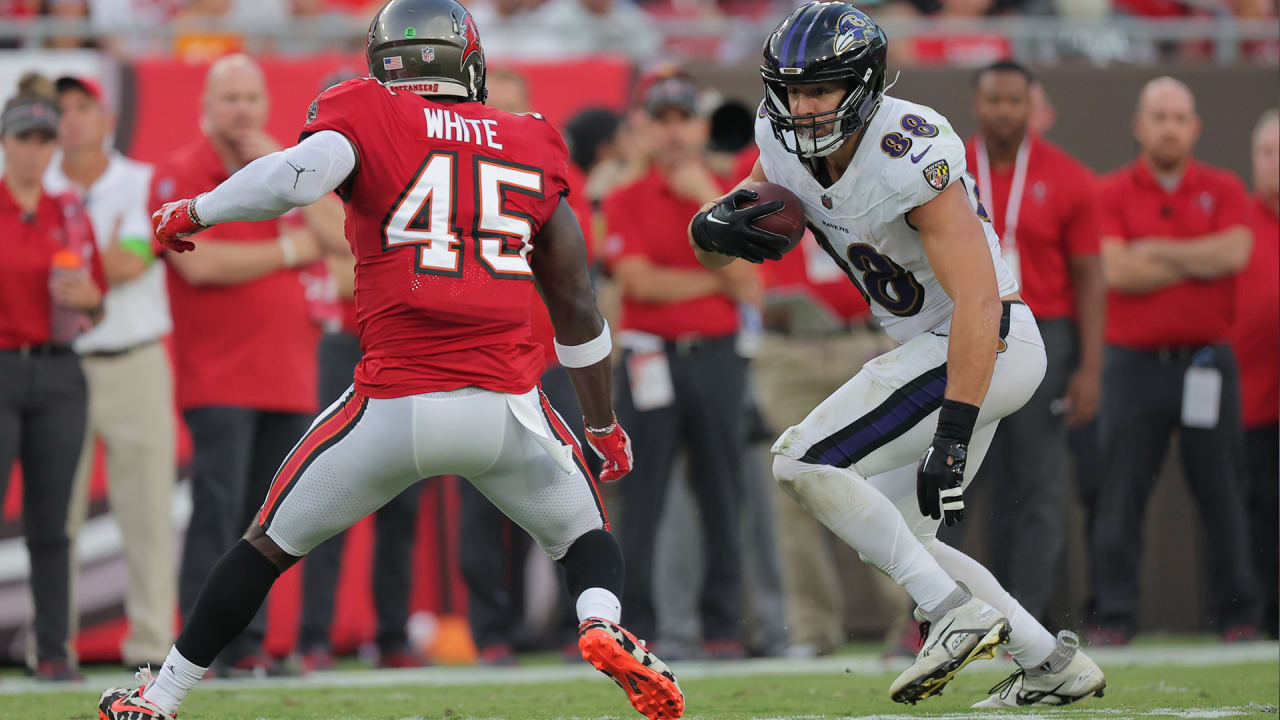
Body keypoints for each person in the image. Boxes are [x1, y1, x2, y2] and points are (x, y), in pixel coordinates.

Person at [96, 2, 682, 719]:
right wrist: (602, 425)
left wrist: (195, 211)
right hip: (506, 406)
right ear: (468, 61)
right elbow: (576, 300)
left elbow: (296, 177)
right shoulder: (529, 137)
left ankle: (159, 699)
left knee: (265, 547)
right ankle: (599, 623)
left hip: (392, 401)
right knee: (585, 537)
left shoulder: (368, 110)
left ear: (385, 62)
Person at [688, 4, 1104, 707]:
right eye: (791, 89)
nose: (803, 106)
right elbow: (728, 237)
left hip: (982, 343)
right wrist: (708, 228)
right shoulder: (779, 138)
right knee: (904, 537)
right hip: (935, 348)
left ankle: (948, 614)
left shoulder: (911, 149)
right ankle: (1049, 662)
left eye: (821, 89)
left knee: (800, 459)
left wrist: (952, 431)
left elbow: (979, 303)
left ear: (865, 85)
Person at [148, 54, 329, 675]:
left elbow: (337, 240)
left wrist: (292, 169)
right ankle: (201, 650)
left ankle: (249, 646)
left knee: (271, 521)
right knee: (218, 511)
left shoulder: (284, 172)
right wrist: (289, 247)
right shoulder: (179, 173)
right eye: (230, 98)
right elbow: (199, 264)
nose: (243, 110)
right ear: (205, 107)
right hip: (219, 374)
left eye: (253, 97)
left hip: (288, 371)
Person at [1091, 77, 1259, 645]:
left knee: (1224, 494)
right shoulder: (1110, 192)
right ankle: (1114, 615)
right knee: (1120, 493)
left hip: (1208, 363)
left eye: (1179, 117)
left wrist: (1155, 250)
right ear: (1139, 126)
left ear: (1195, 127)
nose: (1169, 126)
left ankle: (1237, 615)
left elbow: (1234, 252)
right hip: (1132, 366)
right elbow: (1116, 270)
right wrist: (1196, 260)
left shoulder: (1225, 187)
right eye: (1159, 116)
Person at [603, 68, 759, 657]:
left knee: (723, 492)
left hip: (717, 358)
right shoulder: (623, 198)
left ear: (700, 126)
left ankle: (723, 628)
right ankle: (634, 624)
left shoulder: (729, 195)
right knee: (640, 496)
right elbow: (636, 282)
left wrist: (708, 199)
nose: (672, 133)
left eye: (682, 119)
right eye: (660, 120)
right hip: (651, 357)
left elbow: (750, 286)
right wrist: (712, 284)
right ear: (641, 127)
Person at [963, 59, 1105, 623]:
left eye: (1015, 101)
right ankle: (933, 617)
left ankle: (1025, 620)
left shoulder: (1069, 177)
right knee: (953, 479)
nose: (1004, 111)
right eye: (994, 100)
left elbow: (1091, 277)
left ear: (1034, 107)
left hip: (1043, 337)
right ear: (977, 104)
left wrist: (1091, 367)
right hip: (964, 332)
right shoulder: (944, 170)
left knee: (1039, 484)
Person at [45, 75, 177, 673]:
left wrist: (82, 280)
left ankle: (150, 647)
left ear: (107, 117)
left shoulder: (145, 181)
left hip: (134, 359)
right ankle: (50, 646)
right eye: (60, 110)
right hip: (59, 364)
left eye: (82, 108)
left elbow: (136, 253)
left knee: (147, 513)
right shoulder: (34, 186)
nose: (71, 120)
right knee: (55, 516)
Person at [0, 72, 105, 682]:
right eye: (24, 137)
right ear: (7, 142)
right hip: (4, 369)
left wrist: (91, 298)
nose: (35, 149)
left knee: (52, 521)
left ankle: (53, 652)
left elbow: (94, 307)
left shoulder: (70, 211)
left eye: (44, 138)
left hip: (60, 373)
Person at [1233, 108, 1278, 640]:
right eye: (1269, 152)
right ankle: (1262, 614)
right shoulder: (1237, 220)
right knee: (1260, 510)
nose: (1277, 163)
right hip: (1253, 397)